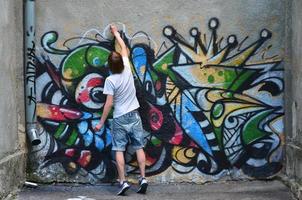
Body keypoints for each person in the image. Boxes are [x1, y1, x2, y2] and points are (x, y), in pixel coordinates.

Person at [94, 24, 148, 196]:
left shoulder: (110, 80)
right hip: (134, 115)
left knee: (119, 149)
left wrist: (101, 122)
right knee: (139, 147)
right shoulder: (127, 69)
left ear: (109, 65)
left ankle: (123, 181)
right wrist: (116, 33)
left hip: (120, 118)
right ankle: (143, 178)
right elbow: (124, 47)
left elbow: (108, 104)